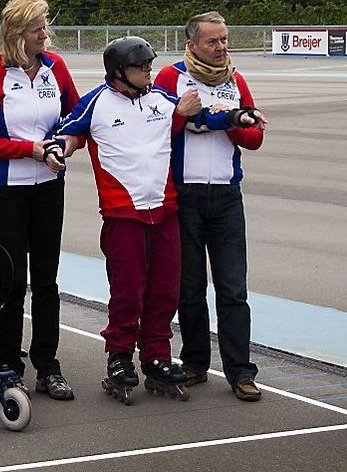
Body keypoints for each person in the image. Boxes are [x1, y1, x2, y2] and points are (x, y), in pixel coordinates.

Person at [54, 36, 260, 403]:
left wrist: (236, 115)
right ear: (119, 72)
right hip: (123, 215)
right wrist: (59, 148)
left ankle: (156, 357)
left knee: (165, 291)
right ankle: (119, 357)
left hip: (165, 212)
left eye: (151, 65)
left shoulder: (161, 101)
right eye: (142, 66)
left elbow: (205, 117)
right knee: (128, 291)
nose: (150, 71)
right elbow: (70, 130)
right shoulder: (97, 101)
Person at [0, 0, 79, 400]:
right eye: (38, 29)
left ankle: (48, 365)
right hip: (5, 190)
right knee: (12, 280)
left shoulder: (56, 68)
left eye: (46, 26)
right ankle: (8, 363)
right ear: (16, 34)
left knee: (47, 279)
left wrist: (64, 145)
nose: (46, 35)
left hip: (48, 185)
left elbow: (75, 118)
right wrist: (26, 149)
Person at [154, 11, 268, 402]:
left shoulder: (236, 81)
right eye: (212, 41)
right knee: (189, 287)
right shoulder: (170, 78)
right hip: (183, 196)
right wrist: (191, 119)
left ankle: (240, 371)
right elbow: (155, 129)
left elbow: (254, 139)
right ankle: (195, 363)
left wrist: (222, 121)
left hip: (225, 197)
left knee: (233, 288)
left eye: (224, 40)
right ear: (192, 44)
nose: (221, 48)